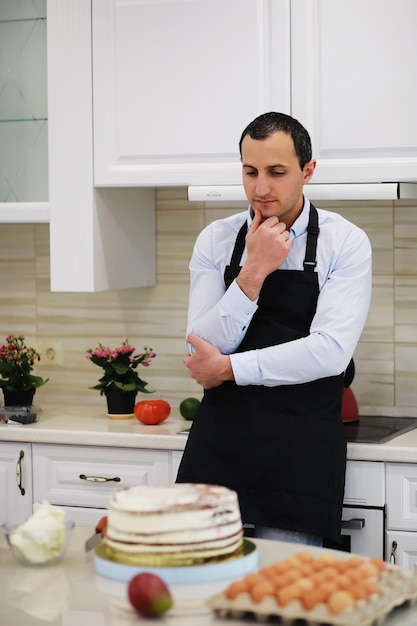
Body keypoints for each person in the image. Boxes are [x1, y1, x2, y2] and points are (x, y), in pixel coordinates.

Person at [176, 111, 372, 547]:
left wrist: (227, 369)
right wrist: (255, 270)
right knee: (195, 600)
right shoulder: (216, 239)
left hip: (298, 458)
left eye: (276, 172)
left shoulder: (346, 243)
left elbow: (329, 352)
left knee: (279, 605)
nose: (260, 189)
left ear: (308, 171)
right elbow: (200, 347)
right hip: (218, 447)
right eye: (250, 172)